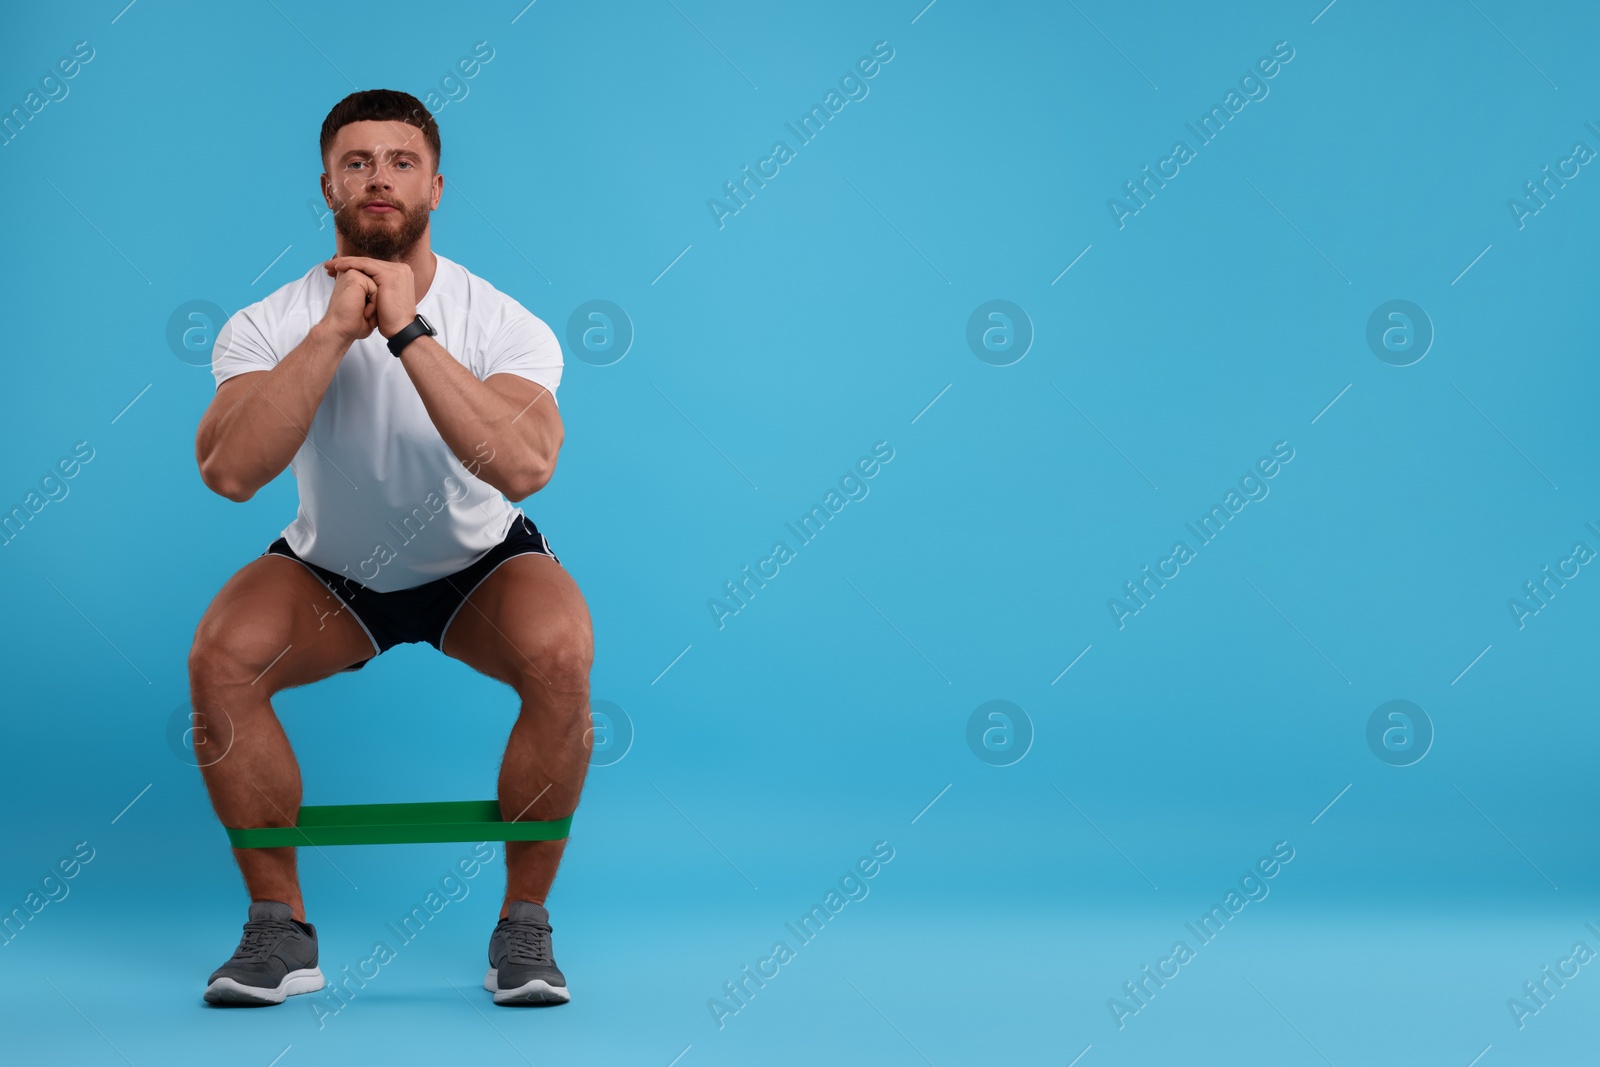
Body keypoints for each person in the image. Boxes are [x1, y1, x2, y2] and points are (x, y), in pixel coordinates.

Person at [189, 89, 592, 1008]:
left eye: (401, 161)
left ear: (436, 186)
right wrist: (337, 328)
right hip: (334, 574)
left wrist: (406, 329)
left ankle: (523, 931)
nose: (380, 178)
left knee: (564, 648)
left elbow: (527, 466)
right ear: (327, 183)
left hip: (478, 567)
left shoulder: (503, 320)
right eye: (359, 161)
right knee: (220, 657)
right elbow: (230, 472)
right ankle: (278, 932)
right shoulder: (267, 321)